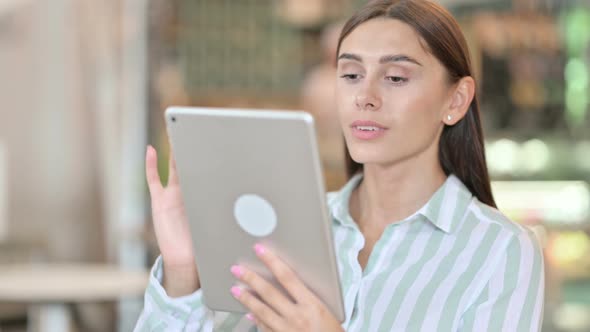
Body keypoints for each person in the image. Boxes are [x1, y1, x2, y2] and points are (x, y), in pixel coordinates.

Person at [134, 0, 544, 331]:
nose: (364, 96)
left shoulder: (500, 251)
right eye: (350, 74)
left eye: (395, 78)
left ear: (455, 100)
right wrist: (184, 270)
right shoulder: (284, 230)